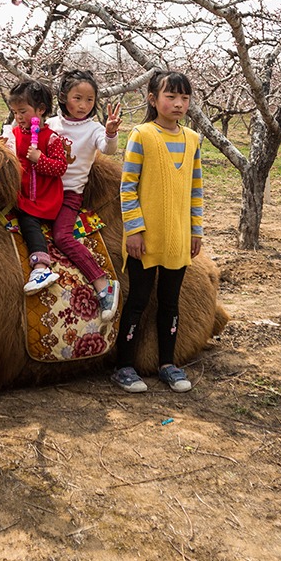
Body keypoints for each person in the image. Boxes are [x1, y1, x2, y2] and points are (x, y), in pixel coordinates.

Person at [110, 70, 204, 394]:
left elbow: (196, 190)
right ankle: (124, 366)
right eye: (171, 96)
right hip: (145, 240)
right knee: (137, 300)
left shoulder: (192, 140)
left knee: (170, 303)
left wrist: (196, 230)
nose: (178, 104)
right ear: (153, 99)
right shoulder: (142, 135)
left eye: (184, 98)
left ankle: (167, 363)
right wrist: (133, 230)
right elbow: (128, 188)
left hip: (177, 240)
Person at [46, 69, 124, 321]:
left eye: (89, 100)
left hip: (70, 195)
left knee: (62, 236)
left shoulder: (93, 129)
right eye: (77, 98)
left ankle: (102, 283)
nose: (83, 105)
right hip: (45, 191)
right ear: (62, 97)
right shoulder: (50, 124)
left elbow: (108, 148)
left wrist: (110, 132)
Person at [3, 80, 67, 295]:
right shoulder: (16, 134)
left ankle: (41, 266)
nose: (18, 117)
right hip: (22, 191)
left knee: (28, 221)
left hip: (43, 196)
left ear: (41, 110)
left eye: (23, 111)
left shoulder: (51, 138)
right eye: (15, 112)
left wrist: (40, 159)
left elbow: (60, 167)